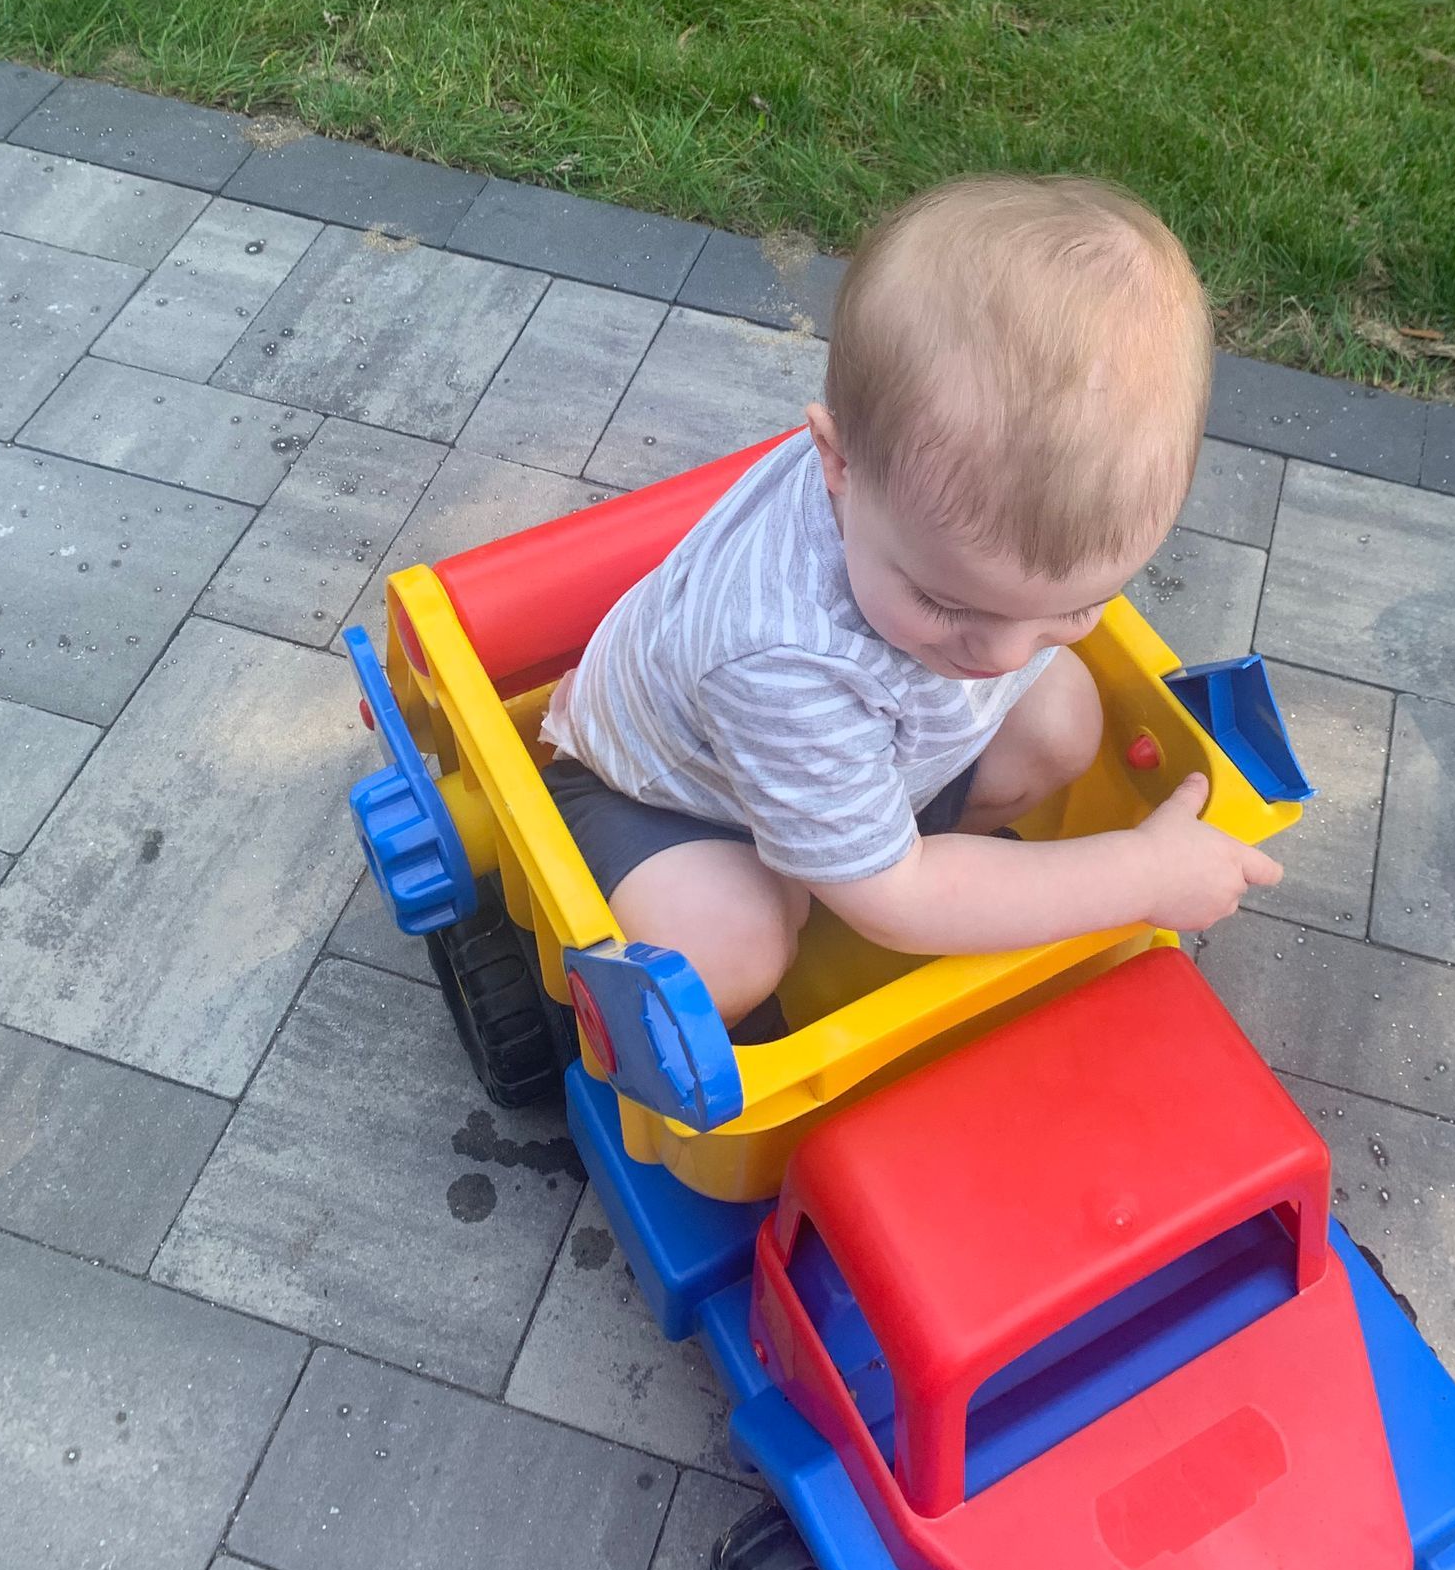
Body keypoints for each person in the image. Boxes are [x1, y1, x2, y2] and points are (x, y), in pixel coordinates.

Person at [542, 172, 1281, 1022]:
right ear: (838, 464)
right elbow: (897, 898)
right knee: (725, 948)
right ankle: (829, 884)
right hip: (674, 798)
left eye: (1073, 608)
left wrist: (970, 621)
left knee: (1063, 715)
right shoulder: (777, 654)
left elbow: (998, 637)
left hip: (852, 750)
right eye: (946, 602)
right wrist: (1139, 876)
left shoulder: (912, 508)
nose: (1001, 655)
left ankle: (869, 860)